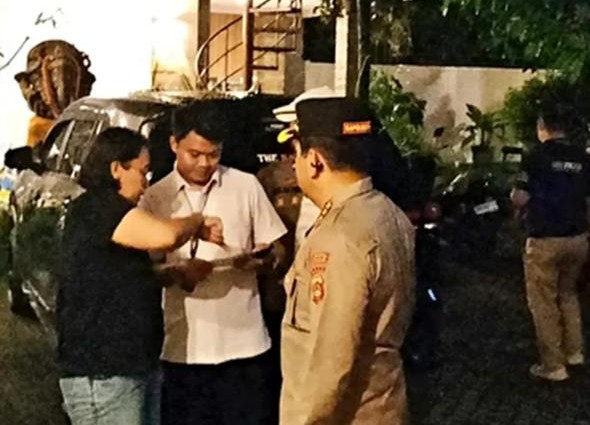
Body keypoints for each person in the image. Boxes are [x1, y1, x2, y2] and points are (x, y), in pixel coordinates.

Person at [58, 127, 224, 425]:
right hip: (104, 373)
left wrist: (174, 272)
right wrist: (197, 221)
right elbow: (165, 236)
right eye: (142, 171)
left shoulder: (110, 211)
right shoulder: (99, 208)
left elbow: (118, 278)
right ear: (116, 168)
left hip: (133, 366)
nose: (146, 183)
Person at [141, 103, 287, 425]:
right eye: (195, 154)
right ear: (174, 144)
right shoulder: (155, 198)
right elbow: (143, 272)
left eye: (214, 154)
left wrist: (264, 259)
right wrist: (176, 272)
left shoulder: (245, 186)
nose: (205, 163)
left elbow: (278, 249)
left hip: (246, 345)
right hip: (184, 348)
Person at [279, 97, 416, 425]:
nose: (293, 165)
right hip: (383, 402)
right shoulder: (387, 212)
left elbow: (331, 358)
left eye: (295, 153)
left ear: (314, 161)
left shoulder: (339, 237)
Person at [511, 103, 590, 381]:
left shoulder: (535, 157)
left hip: (544, 238)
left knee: (543, 301)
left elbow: (520, 197)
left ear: (542, 127)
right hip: (577, 238)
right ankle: (574, 352)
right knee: (568, 294)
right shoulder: (582, 158)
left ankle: (553, 365)